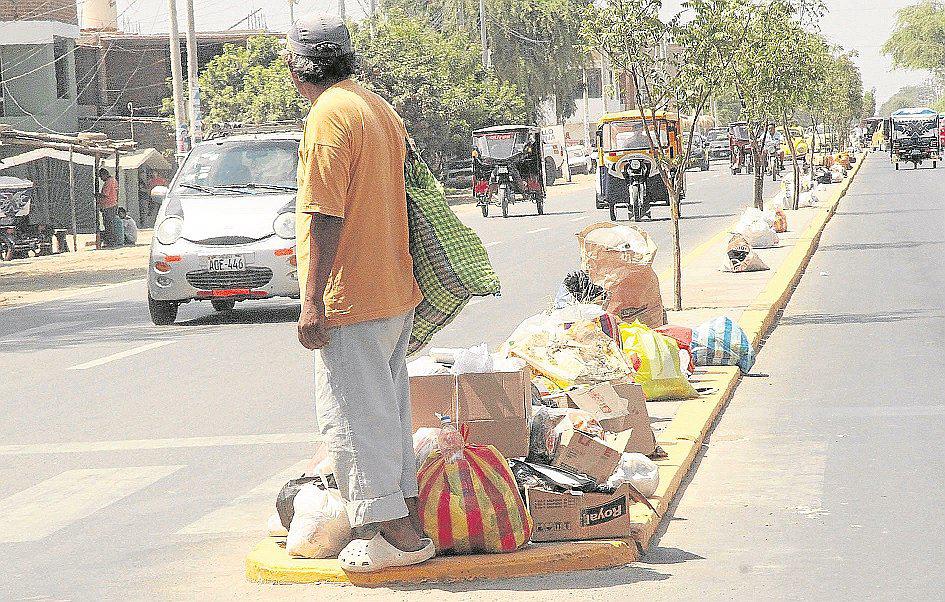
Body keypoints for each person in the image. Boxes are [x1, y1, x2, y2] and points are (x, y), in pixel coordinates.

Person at [287, 12, 434, 573]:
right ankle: (408, 525)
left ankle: (388, 533)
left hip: (353, 294)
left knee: (352, 415)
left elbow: (324, 214)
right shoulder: (376, 107)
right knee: (389, 412)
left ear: (301, 69)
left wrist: (312, 301)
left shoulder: (329, 117)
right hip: (394, 289)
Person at [96, 168, 119, 246]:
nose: (101, 179)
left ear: (104, 175)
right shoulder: (114, 180)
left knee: (108, 225)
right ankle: (111, 241)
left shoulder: (108, 182)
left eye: (101, 177)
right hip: (112, 205)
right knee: (110, 224)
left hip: (109, 206)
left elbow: (105, 194)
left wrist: (97, 195)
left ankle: (111, 241)